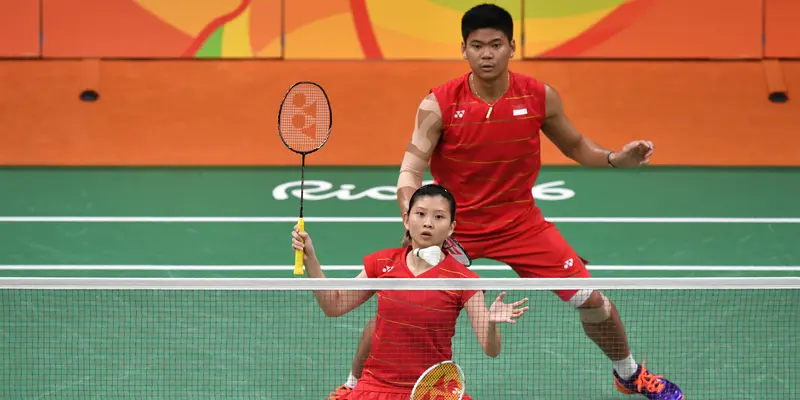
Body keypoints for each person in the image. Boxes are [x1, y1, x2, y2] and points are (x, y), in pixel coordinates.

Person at [328, 4, 684, 400]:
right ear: (463, 48)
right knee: (398, 302)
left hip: (521, 226)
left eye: (496, 44)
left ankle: (629, 374)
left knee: (594, 302)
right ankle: (355, 385)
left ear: (512, 46)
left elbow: (578, 147)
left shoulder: (538, 97)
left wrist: (617, 159)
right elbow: (411, 169)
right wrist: (413, 220)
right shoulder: (439, 104)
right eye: (477, 45)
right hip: (455, 229)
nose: (486, 54)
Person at [294, 183, 529, 400]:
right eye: (420, 214)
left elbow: (491, 349)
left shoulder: (463, 280)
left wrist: (491, 324)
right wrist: (311, 259)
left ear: (451, 228)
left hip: (434, 390)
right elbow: (334, 305)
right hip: (376, 387)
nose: (428, 223)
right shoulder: (383, 262)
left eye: (439, 217)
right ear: (407, 220)